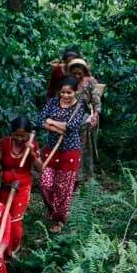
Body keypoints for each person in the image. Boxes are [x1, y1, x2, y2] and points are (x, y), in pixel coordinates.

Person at [37, 77, 87, 232]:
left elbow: (72, 127)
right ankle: (53, 210)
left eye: (69, 92)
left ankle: (59, 220)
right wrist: (56, 127)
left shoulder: (80, 106)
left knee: (63, 188)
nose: (65, 95)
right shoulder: (53, 102)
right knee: (45, 183)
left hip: (70, 151)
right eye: (63, 92)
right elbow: (39, 120)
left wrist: (50, 121)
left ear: (76, 91)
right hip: (51, 149)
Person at [0, 116, 42, 257]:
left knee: (14, 221)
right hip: (4, 187)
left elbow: (41, 169)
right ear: (11, 133)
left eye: (23, 135)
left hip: (22, 187)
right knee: (0, 218)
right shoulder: (4, 143)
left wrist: (32, 152)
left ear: (28, 134)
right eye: (16, 135)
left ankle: (11, 253)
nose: (19, 138)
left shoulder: (33, 145)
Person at [65, 56, 104, 178]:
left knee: (81, 143)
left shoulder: (90, 81)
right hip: (68, 114)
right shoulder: (67, 81)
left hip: (85, 114)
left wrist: (95, 115)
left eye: (79, 73)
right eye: (74, 73)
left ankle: (81, 173)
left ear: (84, 72)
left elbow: (96, 100)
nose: (76, 76)